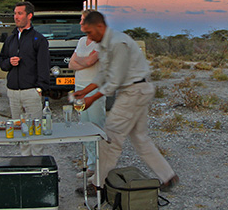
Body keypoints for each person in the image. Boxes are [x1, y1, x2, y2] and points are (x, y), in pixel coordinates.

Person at [73, 11, 179, 195]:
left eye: (90, 32)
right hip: (136, 90)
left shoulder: (117, 42)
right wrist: (85, 91)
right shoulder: (106, 45)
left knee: (111, 137)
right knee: (140, 138)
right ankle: (168, 177)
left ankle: (97, 184)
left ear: (100, 26)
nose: (89, 37)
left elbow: (115, 79)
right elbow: (104, 74)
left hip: (133, 91)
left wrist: (92, 98)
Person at [0, 1, 50, 156]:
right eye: (15, 13)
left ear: (29, 16)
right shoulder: (10, 39)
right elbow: (1, 62)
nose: (16, 17)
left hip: (31, 92)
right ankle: (25, 162)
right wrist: (9, 62)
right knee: (20, 130)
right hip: (13, 92)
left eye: (20, 13)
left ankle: (38, 163)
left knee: (35, 131)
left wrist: (40, 89)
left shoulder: (38, 39)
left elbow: (44, 66)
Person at [68, 10, 106, 178]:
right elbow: (70, 64)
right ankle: (91, 165)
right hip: (79, 89)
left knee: (97, 126)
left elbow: (91, 61)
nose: (80, 24)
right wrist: (84, 62)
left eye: (83, 20)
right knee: (84, 126)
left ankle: (102, 167)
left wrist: (81, 62)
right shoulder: (82, 41)